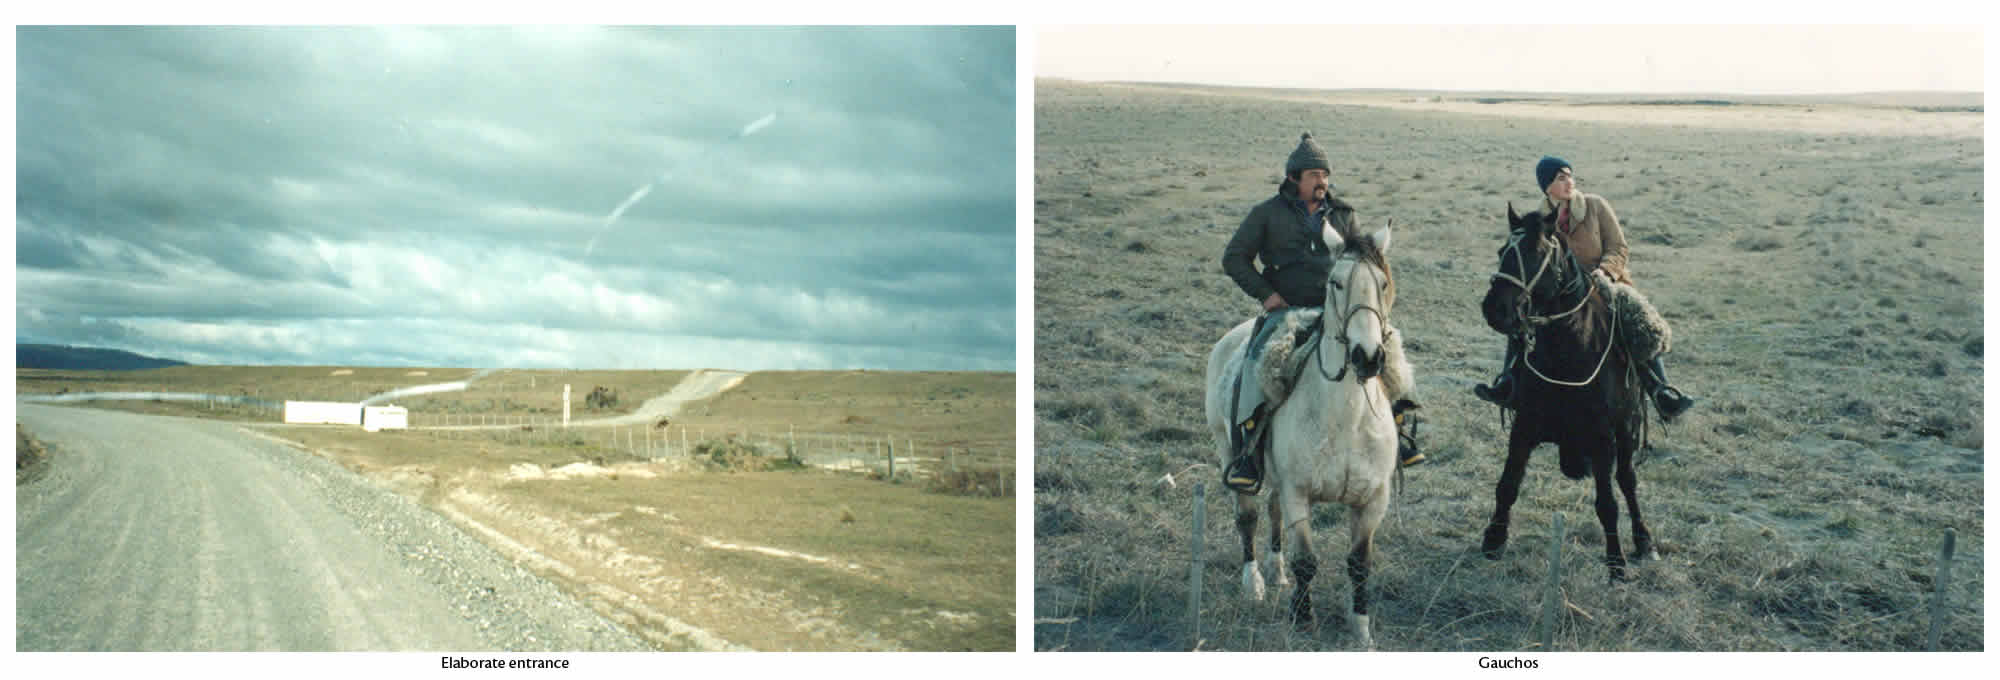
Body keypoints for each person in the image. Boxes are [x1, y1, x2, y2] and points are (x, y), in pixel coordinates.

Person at [1219, 133, 1417, 495]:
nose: (1322, 181)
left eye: (1325, 174)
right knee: (1254, 366)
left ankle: (1400, 432)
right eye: (1313, 174)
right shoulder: (1266, 215)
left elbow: (1362, 258)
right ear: (1294, 178)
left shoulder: (1343, 214)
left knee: (1388, 354)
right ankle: (1246, 455)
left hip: (1338, 312)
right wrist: (1267, 294)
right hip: (1287, 313)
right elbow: (1234, 258)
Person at [1474, 156, 1695, 421]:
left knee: (1637, 319)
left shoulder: (1595, 205)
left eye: (1569, 175)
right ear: (1547, 187)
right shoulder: (1540, 218)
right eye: (1560, 177)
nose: (1569, 181)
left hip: (1604, 281)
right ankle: (1509, 382)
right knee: (1523, 319)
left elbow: (1619, 247)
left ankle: (1661, 391)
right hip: (1561, 289)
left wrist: (1605, 271)